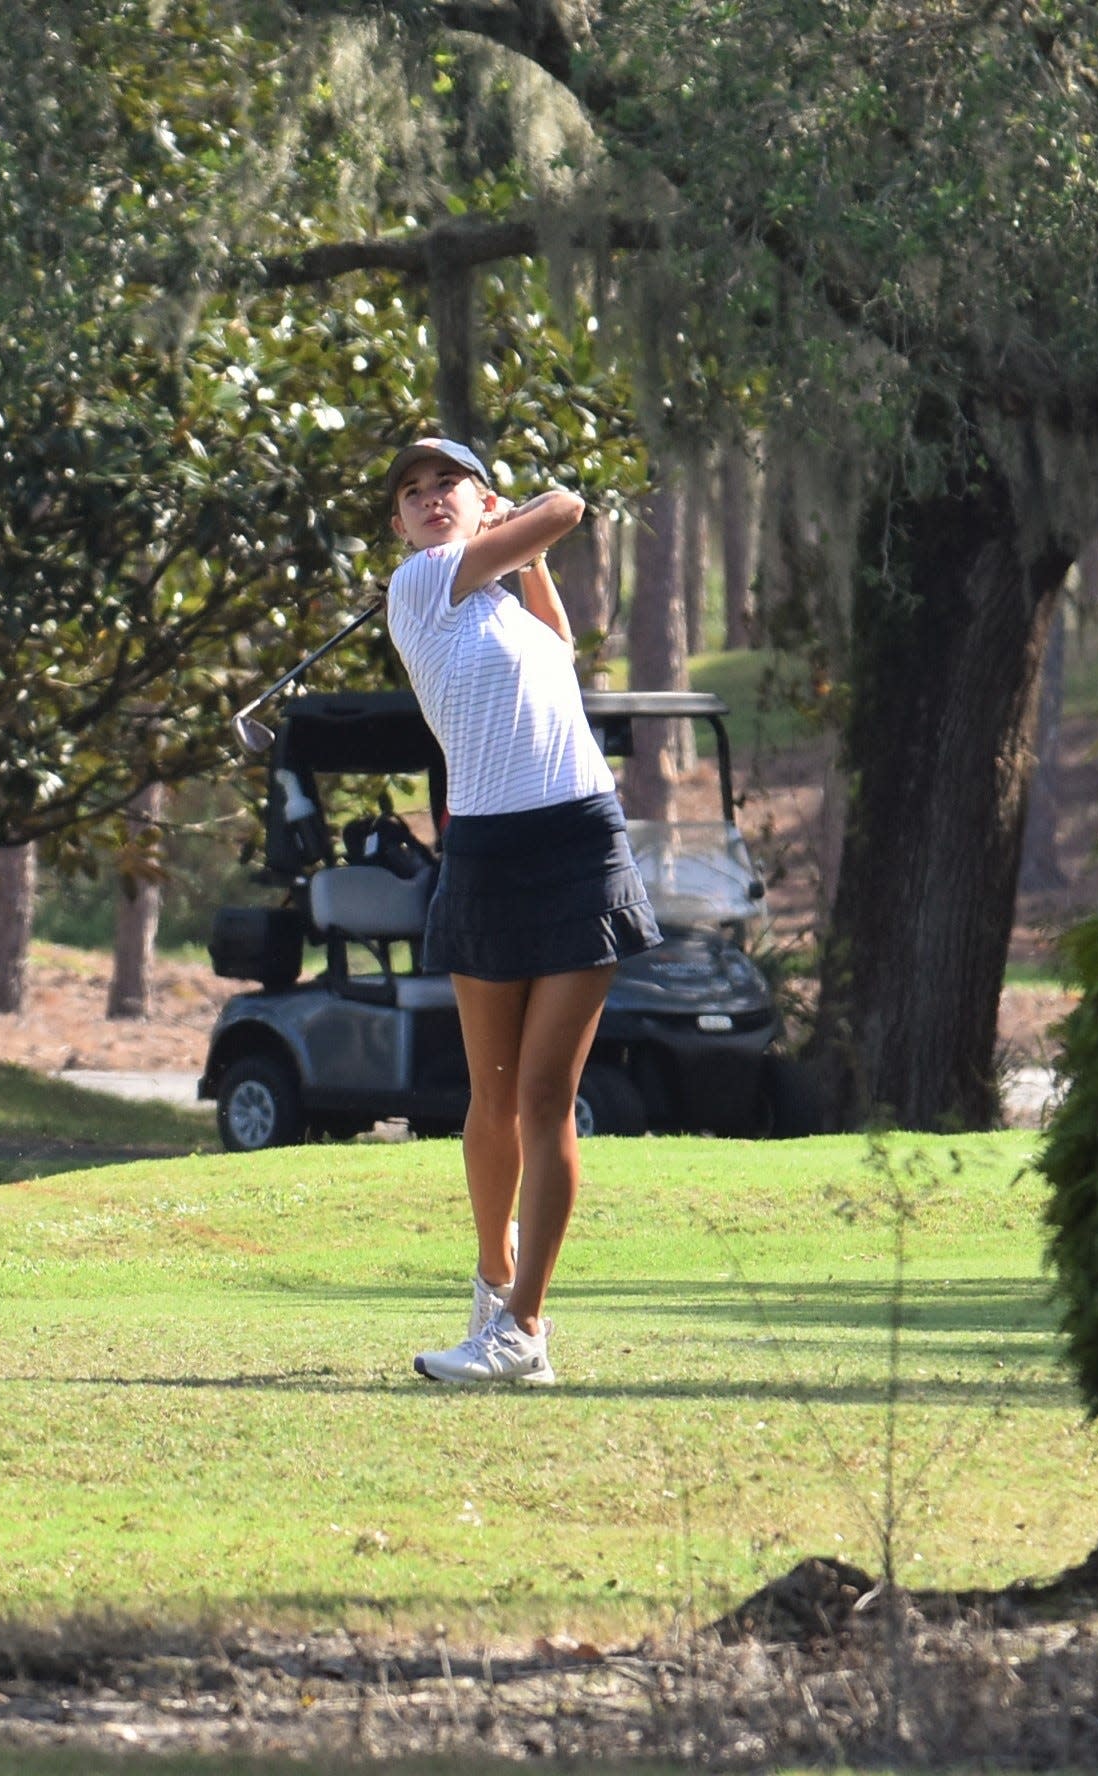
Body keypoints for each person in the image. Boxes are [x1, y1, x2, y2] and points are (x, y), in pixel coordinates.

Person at [383, 436, 662, 1386]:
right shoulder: (422, 584)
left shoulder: (512, 608)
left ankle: (525, 1331)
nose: (428, 500)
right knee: (491, 1096)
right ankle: (493, 1283)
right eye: (412, 493)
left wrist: (525, 552)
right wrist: (517, 525)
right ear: (401, 525)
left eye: (445, 486)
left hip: (581, 844)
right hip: (490, 855)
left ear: (481, 498)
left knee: (547, 1099)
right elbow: (568, 504)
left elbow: (559, 638)